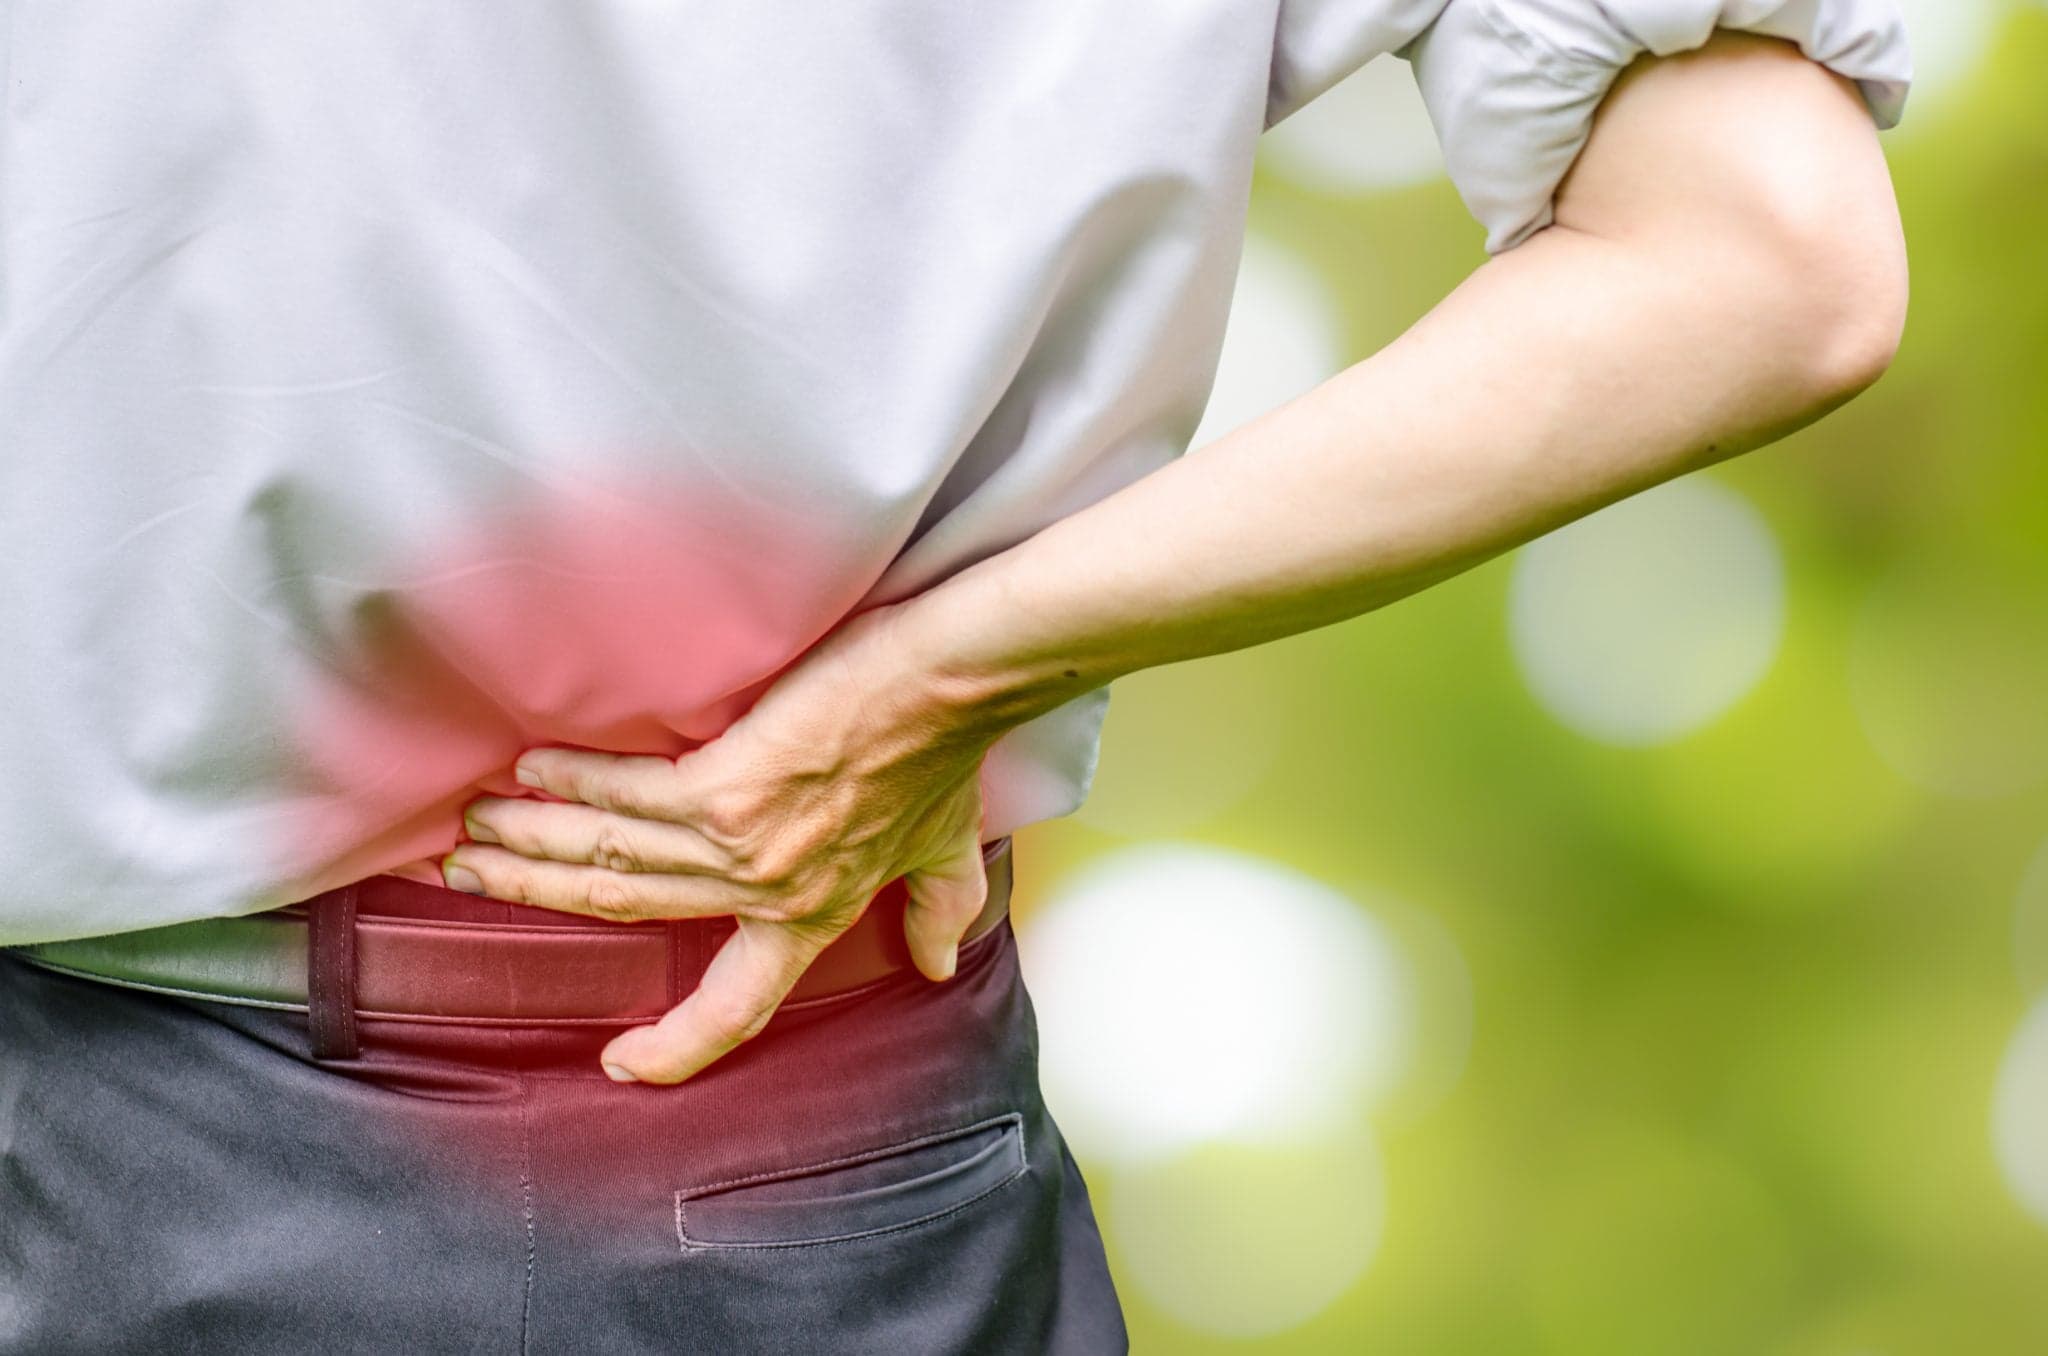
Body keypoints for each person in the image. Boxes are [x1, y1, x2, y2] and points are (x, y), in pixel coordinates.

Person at [0, 2, 1912, 1352]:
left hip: (573, 1134)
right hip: (749, 1166)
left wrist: (943, 676)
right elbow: (1760, 253)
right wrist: (948, 673)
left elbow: (1778, 269)